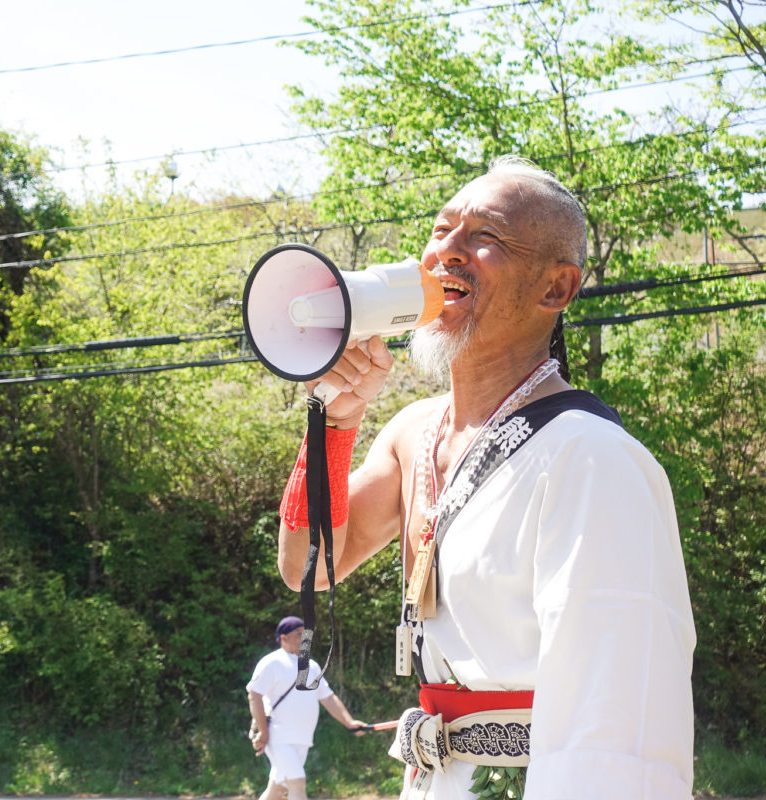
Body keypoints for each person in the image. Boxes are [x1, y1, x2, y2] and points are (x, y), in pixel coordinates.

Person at [274, 156, 695, 799]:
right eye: (442, 230)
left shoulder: (589, 457)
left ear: (556, 288)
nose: (448, 252)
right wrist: (332, 424)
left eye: (485, 238)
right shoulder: (415, 432)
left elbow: (615, 720)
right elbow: (309, 564)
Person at [247, 615, 366, 800]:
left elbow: (328, 698)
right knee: (297, 783)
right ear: (283, 638)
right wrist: (263, 731)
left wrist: (350, 722)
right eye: (299, 634)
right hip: (279, 737)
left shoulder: (312, 666)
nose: (305, 638)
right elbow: (254, 694)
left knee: (277, 788)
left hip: (302, 739)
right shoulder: (272, 662)